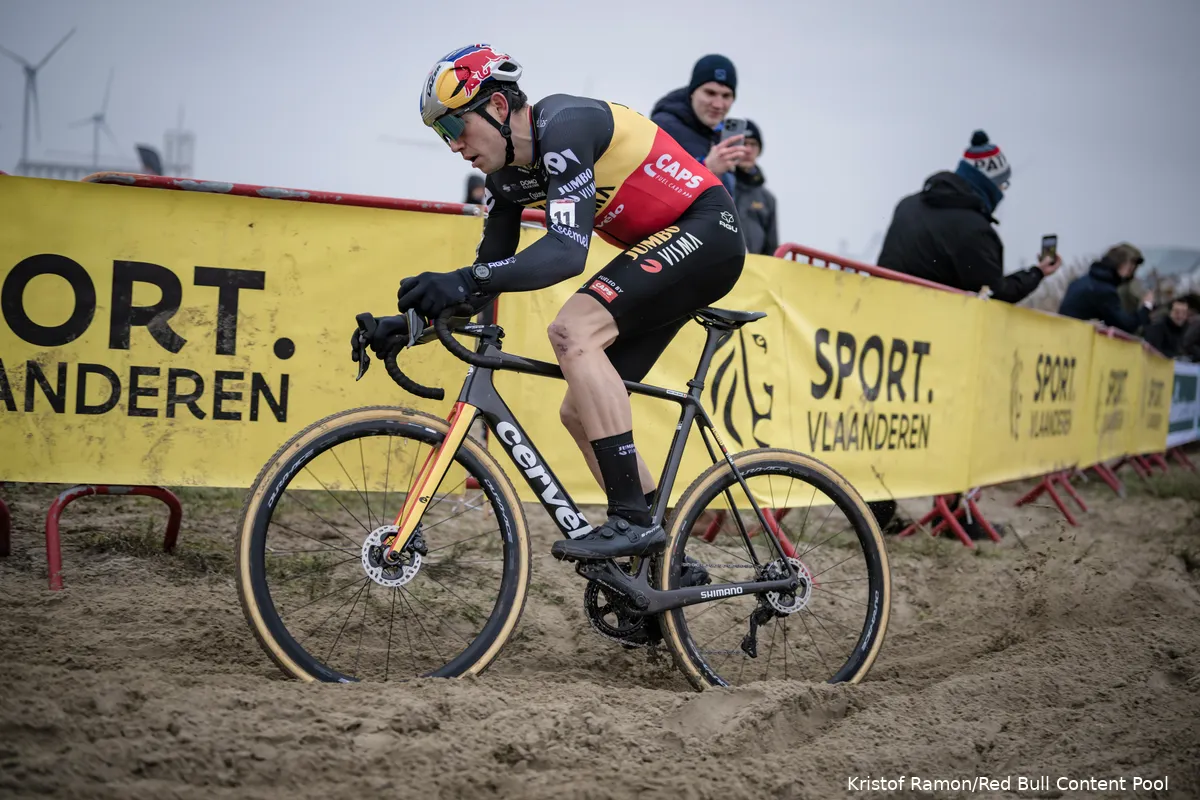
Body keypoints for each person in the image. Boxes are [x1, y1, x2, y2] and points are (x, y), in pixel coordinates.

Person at [400, 44, 747, 561]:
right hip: (669, 251)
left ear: (497, 108)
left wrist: (463, 278)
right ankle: (664, 565)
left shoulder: (565, 124)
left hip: (706, 229)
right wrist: (408, 323)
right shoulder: (504, 180)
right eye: (441, 136)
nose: (453, 146)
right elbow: (485, 279)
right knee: (579, 412)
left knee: (571, 331)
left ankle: (632, 519)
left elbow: (566, 252)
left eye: (454, 128)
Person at [876, 130, 1060, 302]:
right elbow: (995, 292)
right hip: (926, 324)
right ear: (988, 185)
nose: (1002, 193)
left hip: (877, 310)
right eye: (1002, 185)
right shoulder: (975, 229)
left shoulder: (907, 204)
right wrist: (1037, 273)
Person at [650, 55, 748, 195]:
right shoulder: (663, 128)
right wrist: (707, 168)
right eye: (710, 93)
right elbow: (653, 190)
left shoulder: (717, 134)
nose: (718, 104)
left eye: (726, 96)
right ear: (692, 93)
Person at [1058, 243, 1153, 334]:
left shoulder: (1083, 282)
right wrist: (1146, 306)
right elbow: (1126, 325)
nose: (1132, 272)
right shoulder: (1104, 291)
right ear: (1121, 265)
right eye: (1131, 267)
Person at [732, 120, 778, 256]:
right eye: (743, 143)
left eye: (753, 144)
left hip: (753, 272)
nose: (748, 150)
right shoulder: (718, 184)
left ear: (759, 150)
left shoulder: (768, 199)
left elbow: (771, 247)